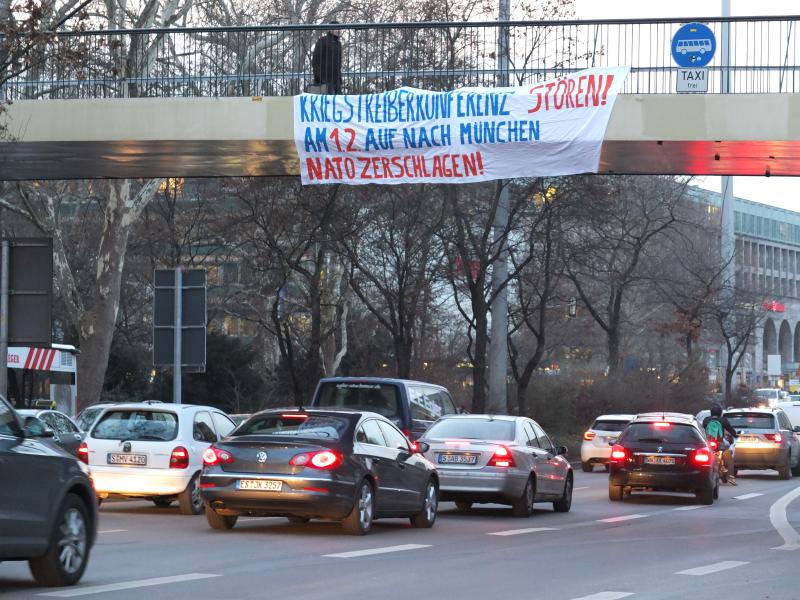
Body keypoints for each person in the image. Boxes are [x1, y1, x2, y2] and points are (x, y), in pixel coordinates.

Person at [703, 404, 739, 485]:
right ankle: (731, 477)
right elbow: (730, 429)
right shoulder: (723, 420)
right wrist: (735, 435)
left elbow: (702, 429)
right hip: (719, 442)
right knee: (728, 455)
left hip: (708, 444)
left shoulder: (706, 420)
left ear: (711, 412)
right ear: (720, 412)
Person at [311, 21, 342, 94]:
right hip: (324, 80)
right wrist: (318, 78)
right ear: (330, 29)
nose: (339, 30)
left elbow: (338, 63)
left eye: (340, 28)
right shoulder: (322, 41)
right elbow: (315, 60)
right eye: (336, 28)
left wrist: (339, 79)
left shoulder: (338, 44)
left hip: (336, 81)